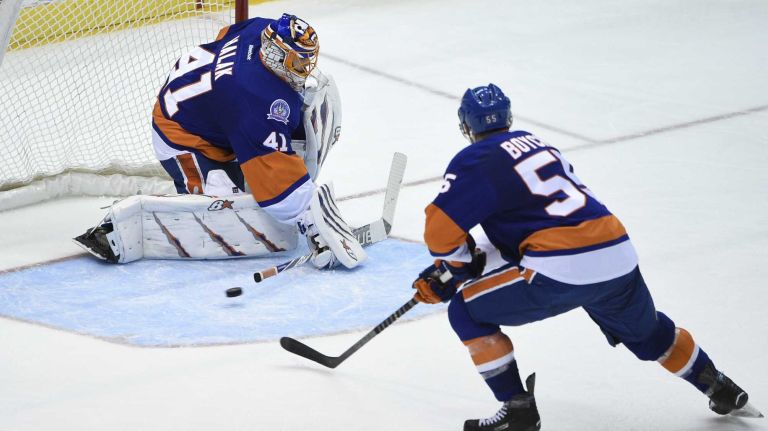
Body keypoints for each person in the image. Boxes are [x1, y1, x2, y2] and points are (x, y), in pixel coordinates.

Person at [411, 84, 761, 430]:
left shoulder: (475, 158)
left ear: (466, 126)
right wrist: (463, 263)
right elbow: (537, 223)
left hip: (559, 266)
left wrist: (453, 270)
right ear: (509, 117)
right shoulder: (539, 145)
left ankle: (517, 411)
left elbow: (439, 228)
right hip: (617, 254)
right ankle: (720, 386)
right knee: (649, 333)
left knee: (466, 310)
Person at [73, 14, 365, 269]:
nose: (305, 68)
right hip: (182, 135)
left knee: (277, 128)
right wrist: (310, 219)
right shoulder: (253, 100)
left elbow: (225, 36)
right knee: (224, 212)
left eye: (307, 59)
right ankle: (125, 226)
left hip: (208, 107)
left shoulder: (261, 30)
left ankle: (236, 143)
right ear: (276, 55)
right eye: (298, 61)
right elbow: (276, 186)